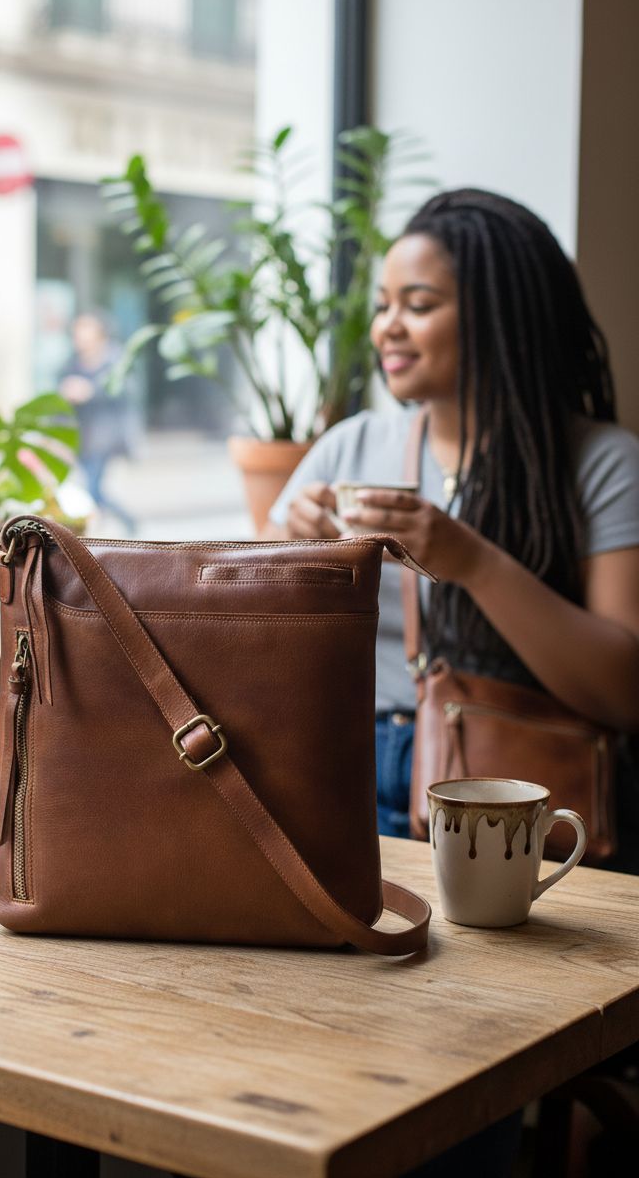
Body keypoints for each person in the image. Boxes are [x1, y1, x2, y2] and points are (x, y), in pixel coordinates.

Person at [265, 188, 639, 860]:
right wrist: (279, 551)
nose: (387, 328)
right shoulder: (349, 448)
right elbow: (243, 637)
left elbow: (625, 690)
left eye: (419, 305)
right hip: (339, 772)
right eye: (383, 307)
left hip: (510, 798)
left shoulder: (601, 462)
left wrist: (472, 561)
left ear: (501, 319)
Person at [59, 312, 136, 533]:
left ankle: (96, 532)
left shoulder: (115, 360)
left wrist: (90, 391)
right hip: (81, 436)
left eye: (85, 331)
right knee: (92, 488)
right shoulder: (71, 362)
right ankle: (125, 521)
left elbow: (126, 390)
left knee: (91, 489)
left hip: (105, 438)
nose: (80, 337)